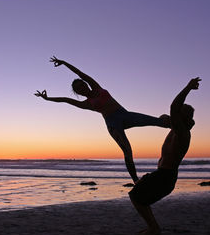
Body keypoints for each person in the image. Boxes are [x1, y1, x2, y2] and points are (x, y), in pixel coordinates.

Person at [35, 56, 170, 183]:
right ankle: (136, 180)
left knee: (157, 121)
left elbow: (80, 73)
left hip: (125, 115)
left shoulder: (96, 86)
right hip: (113, 125)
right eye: (77, 89)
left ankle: (174, 124)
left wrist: (64, 63)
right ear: (78, 93)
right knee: (128, 152)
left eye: (81, 85)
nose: (81, 88)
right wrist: (47, 98)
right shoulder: (86, 104)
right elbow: (65, 100)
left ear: (85, 84)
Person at [128, 77, 200, 235]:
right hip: (162, 174)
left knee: (135, 196)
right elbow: (169, 115)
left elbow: (173, 107)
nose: (173, 115)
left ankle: (154, 228)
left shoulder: (182, 133)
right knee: (139, 197)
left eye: (177, 114)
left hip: (165, 176)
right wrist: (163, 119)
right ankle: (153, 228)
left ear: (182, 117)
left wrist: (188, 87)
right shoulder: (176, 128)